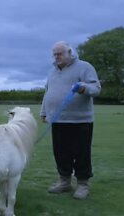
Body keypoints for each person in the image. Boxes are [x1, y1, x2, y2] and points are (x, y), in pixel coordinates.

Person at [40, 41, 101, 200]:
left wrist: (84, 88)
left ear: (69, 52)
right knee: (60, 153)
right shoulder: (52, 71)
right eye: (54, 54)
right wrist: (44, 112)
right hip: (57, 121)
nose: (56, 57)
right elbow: (48, 92)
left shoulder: (84, 67)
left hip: (80, 121)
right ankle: (64, 182)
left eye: (60, 53)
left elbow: (96, 88)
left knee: (81, 154)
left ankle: (82, 185)